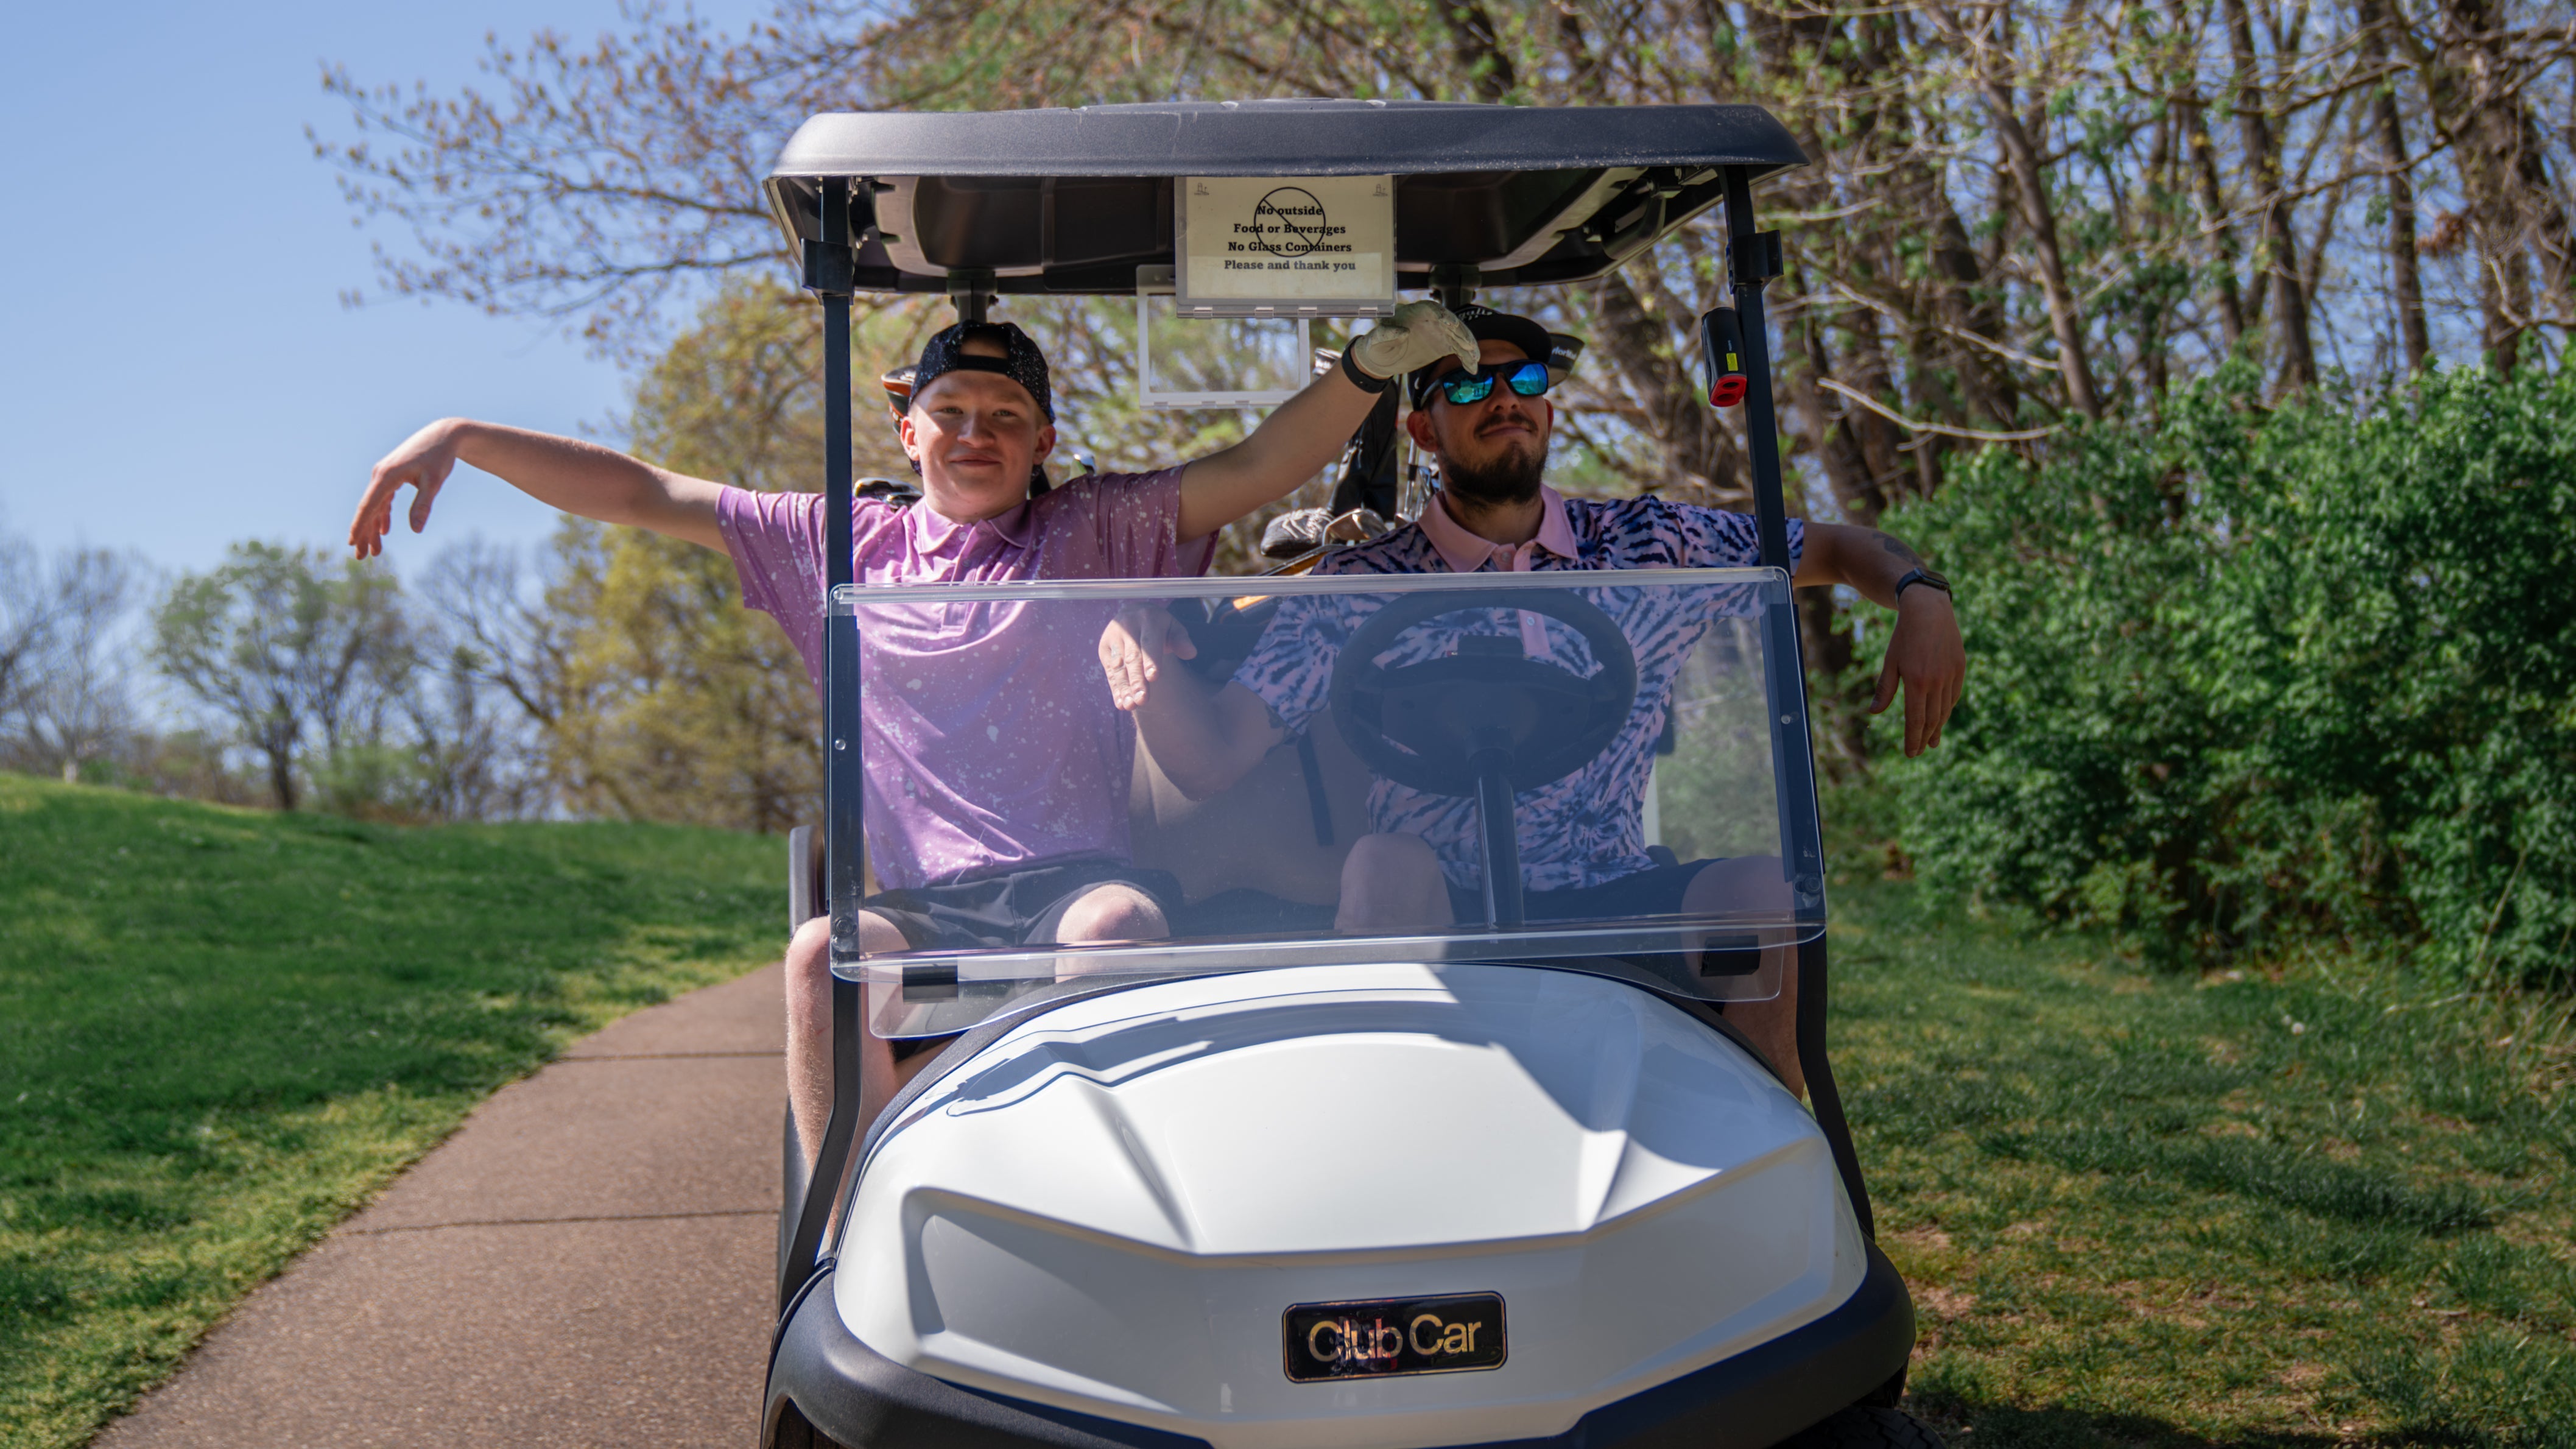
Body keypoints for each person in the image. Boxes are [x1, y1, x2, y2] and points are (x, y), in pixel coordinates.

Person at [347, 303, 1480, 1162]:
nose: (975, 436)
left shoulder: (1092, 528)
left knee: (1119, 927)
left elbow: (1255, 470)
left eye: (1005, 420)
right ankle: (852, 1231)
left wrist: (1366, 372)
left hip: (1074, 878)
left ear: (1043, 441)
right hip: (930, 900)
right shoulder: (838, 544)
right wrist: (464, 436)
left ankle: (1106, 1210)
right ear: (908, 427)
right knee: (815, 957)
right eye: (951, 415)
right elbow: (646, 493)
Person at [1097, 306, 1967, 1096]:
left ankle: (1757, 1152)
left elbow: (1833, 547)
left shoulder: (1648, 545)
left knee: (1766, 892)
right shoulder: (1362, 582)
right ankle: (1387, 1159)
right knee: (1381, 865)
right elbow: (1211, 760)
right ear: (1423, 429)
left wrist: (1921, 593)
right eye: (1468, 383)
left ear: (1548, 409)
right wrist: (1135, 638)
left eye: (1524, 380)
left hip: (1606, 886)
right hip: (1438, 893)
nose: (1504, 398)